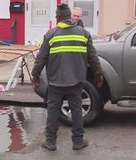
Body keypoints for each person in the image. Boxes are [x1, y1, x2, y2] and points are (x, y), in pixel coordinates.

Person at [31, 3, 103, 151]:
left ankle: (50, 142)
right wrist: (98, 73)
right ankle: (78, 141)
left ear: (58, 18)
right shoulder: (84, 34)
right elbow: (93, 57)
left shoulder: (50, 35)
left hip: (56, 82)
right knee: (76, 111)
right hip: (76, 82)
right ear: (70, 17)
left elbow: (41, 58)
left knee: (53, 111)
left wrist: (35, 75)